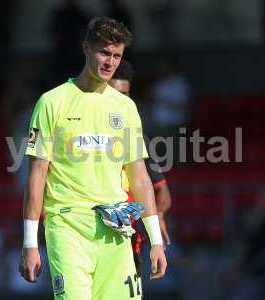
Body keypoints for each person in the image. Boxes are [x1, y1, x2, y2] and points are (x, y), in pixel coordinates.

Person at [19, 17, 167, 300]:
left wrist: (156, 242)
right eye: (104, 52)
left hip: (115, 228)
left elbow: (139, 177)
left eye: (117, 55)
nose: (110, 62)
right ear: (86, 48)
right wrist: (30, 242)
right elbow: (36, 175)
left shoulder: (125, 108)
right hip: (67, 225)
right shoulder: (51, 103)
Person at [109, 59, 172, 296]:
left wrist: (158, 216)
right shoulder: (80, 131)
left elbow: (162, 192)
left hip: (127, 240)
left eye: (125, 95)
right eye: (114, 94)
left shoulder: (136, 137)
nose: (120, 102)